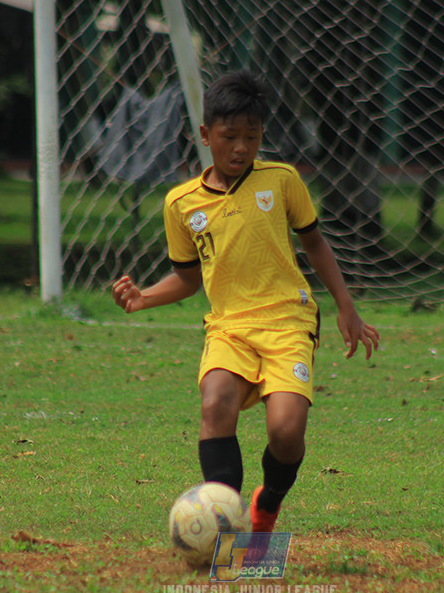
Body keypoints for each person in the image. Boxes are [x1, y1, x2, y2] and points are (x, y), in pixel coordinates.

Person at [112, 70, 380, 532]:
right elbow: (187, 278)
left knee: (287, 432)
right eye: (229, 136)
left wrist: (346, 307)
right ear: (204, 135)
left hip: (288, 322)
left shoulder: (281, 181)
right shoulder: (182, 203)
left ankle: (268, 502)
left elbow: (315, 243)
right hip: (229, 327)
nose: (240, 147)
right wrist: (144, 298)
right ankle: (224, 523)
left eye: (251, 137)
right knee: (215, 401)